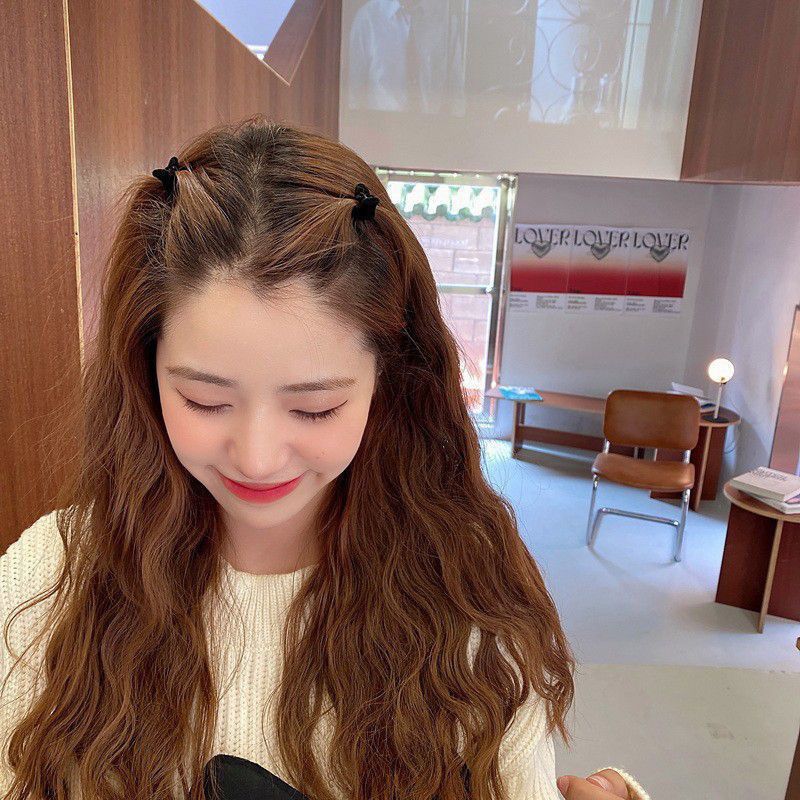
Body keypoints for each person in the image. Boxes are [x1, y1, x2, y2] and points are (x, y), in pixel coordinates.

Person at [0, 115, 650, 800]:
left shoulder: (469, 586)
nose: (257, 459)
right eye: (204, 401)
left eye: (314, 409)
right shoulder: (49, 576)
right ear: (145, 371)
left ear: (387, 382)